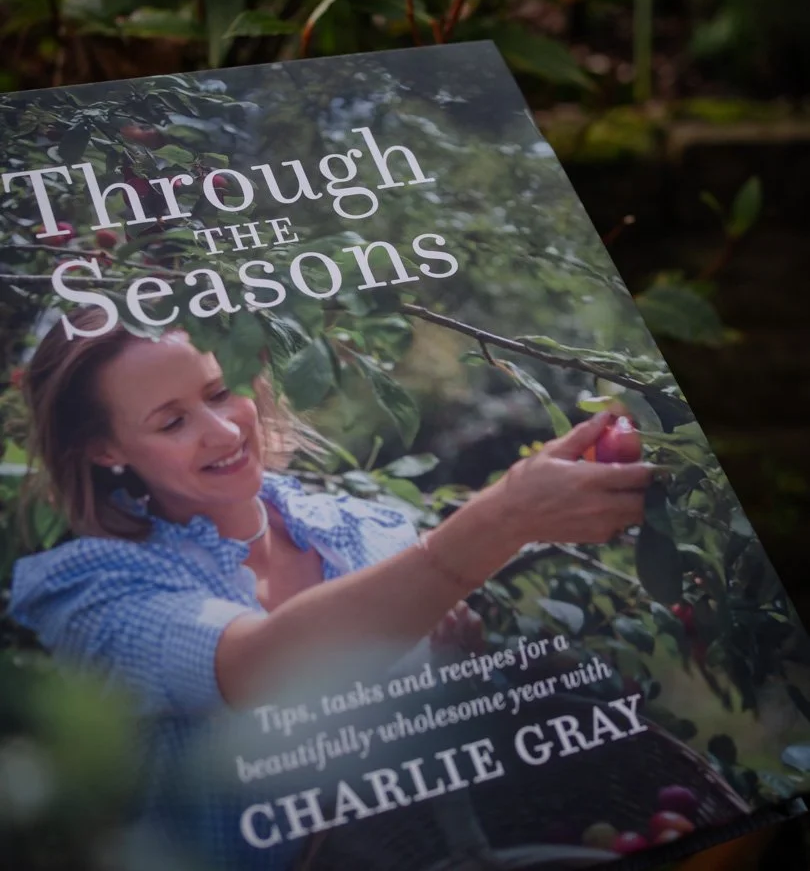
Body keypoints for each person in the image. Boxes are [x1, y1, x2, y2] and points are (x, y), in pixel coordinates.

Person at [8, 306, 655, 867]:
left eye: (220, 390)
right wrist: (503, 517)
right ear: (105, 449)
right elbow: (261, 669)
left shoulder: (362, 530)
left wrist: (450, 679)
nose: (225, 430)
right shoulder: (93, 590)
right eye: (171, 422)